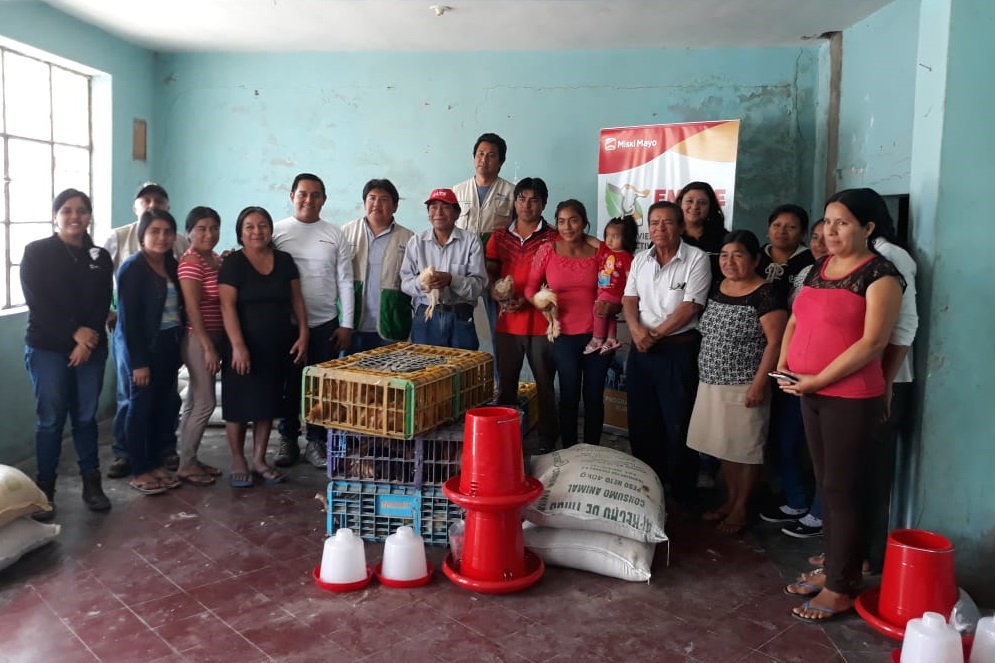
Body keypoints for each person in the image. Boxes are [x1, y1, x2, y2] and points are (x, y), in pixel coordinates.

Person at [775, 190, 904, 622]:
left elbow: (873, 343)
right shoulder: (820, 267)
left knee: (844, 489)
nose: (830, 231)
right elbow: (796, 319)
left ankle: (843, 586)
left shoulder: (881, 276)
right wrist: (784, 364)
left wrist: (817, 379)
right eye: (828, 222)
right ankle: (833, 565)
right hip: (808, 391)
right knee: (827, 483)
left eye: (842, 223)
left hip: (849, 397)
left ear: (868, 229)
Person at [687, 230, 788, 534]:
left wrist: (760, 384)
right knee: (723, 447)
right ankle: (731, 501)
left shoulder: (766, 293)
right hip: (711, 382)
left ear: (756, 259)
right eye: (726, 255)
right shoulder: (719, 287)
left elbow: (776, 343)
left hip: (744, 384)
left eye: (739, 255)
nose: (730, 262)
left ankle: (742, 508)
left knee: (745, 450)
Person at [22, 189, 114, 518]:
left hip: (90, 350)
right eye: (66, 210)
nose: (75, 216)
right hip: (47, 346)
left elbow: (102, 300)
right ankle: (44, 488)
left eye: (82, 210)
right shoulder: (37, 252)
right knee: (51, 420)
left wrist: (86, 341)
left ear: (90, 216)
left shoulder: (100, 256)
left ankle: (92, 483)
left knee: (86, 418)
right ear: (55, 216)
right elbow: (38, 302)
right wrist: (75, 333)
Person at [622, 201, 711, 512]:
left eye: (668, 222)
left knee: (678, 422)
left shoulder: (696, 259)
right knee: (642, 421)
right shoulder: (640, 260)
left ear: (681, 226)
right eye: (654, 223)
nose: (660, 228)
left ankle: (682, 491)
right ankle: (648, 485)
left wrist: (654, 335)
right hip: (642, 350)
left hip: (677, 350)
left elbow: (690, 306)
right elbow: (629, 299)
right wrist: (636, 331)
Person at [219, 207, 308, 487]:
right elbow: (227, 306)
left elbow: (297, 300)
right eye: (249, 227)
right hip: (242, 346)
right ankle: (238, 460)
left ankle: (259, 460)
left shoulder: (283, 260)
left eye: (262, 225)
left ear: (270, 230)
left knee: (267, 405)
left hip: (278, 344)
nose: (256, 231)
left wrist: (304, 332)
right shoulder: (233, 263)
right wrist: (237, 346)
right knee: (238, 405)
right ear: (240, 232)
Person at [104, 183, 189, 479]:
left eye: (167, 232)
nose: (162, 237)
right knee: (138, 404)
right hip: (142, 347)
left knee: (164, 400)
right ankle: (140, 467)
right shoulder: (133, 268)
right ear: (142, 235)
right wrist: (138, 362)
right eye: (155, 232)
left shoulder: (172, 264)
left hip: (168, 344)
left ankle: (157, 455)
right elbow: (129, 323)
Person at [272, 173, 354, 469]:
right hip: (286, 325)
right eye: (303, 194)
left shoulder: (334, 234)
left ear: (324, 199)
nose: (309, 200)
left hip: (325, 325)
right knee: (289, 384)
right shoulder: (277, 232)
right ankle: (288, 438)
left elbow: (345, 280)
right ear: (292, 195)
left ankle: (316, 440)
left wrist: (347, 324)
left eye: (316, 194)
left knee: (321, 387)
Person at [525, 199, 612, 448]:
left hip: (597, 335)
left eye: (574, 220)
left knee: (594, 396)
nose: (567, 227)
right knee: (569, 395)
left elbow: (617, 256)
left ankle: (593, 450)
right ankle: (571, 450)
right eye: (561, 221)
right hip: (563, 335)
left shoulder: (598, 253)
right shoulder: (548, 251)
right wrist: (541, 303)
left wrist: (597, 242)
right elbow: (531, 289)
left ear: (584, 222)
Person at [762, 217, 829, 537]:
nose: (820, 242)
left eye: (827, 235)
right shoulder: (806, 274)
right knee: (786, 441)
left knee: (824, 452)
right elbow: (792, 321)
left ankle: (819, 513)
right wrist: (785, 363)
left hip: (828, 378)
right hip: (793, 373)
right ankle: (797, 500)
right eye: (816, 237)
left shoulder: (856, 277)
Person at [486, 177, 559, 451]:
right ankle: (504, 443)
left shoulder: (554, 237)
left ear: (543, 205)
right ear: (514, 202)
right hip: (507, 323)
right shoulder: (500, 236)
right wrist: (496, 292)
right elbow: (491, 272)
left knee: (545, 386)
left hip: (541, 324)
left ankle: (547, 443)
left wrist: (531, 300)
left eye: (534, 200)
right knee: (506, 386)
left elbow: (558, 280)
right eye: (522, 198)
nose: (527, 205)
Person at [453, 133, 515, 387]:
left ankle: (502, 387)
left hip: (494, 270)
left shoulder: (511, 193)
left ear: (500, 162)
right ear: (473, 157)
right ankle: (461, 387)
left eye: (491, 156)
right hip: (463, 269)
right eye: (480, 154)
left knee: (499, 331)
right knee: (458, 327)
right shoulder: (457, 191)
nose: (484, 160)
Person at [675, 181, 727, 488]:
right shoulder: (671, 236)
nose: (695, 207)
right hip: (678, 329)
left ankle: (707, 464)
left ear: (711, 208)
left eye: (702, 203)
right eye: (689, 201)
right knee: (683, 398)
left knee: (708, 397)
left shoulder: (721, 240)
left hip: (713, 329)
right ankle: (680, 459)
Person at [175, 207, 225, 486]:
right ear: (189, 232)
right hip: (198, 338)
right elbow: (193, 310)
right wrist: (208, 347)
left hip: (212, 337)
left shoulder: (213, 258)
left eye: (214, 228)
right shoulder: (191, 261)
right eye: (202, 228)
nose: (209, 234)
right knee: (205, 403)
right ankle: (186, 464)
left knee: (194, 400)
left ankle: (188, 458)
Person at [400, 188, 486, 350]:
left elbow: (478, 286)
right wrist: (422, 283)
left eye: (445, 207)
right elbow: (405, 283)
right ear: (428, 213)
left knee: (461, 371)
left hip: (460, 316)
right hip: (425, 316)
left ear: (457, 213)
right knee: (424, 370)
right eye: (433, 207)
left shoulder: (471, 242)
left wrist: (451, 279)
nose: (438, 212)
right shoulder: (416, 242)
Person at [342, 179, 415, 354]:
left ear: (395, 206)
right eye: (372, 198)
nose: (376, 204)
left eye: (384, 199)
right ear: (364, 203)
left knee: (389, 378)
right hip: (352, 326)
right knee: (351, 378)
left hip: (391, 323)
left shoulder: (409, 238)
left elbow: (413, 281)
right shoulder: (346, 232)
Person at [584, 215, 638, 355]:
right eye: (608, 235)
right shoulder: (605, 250)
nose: (610, 239)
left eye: (615, 236)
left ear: (626, 238)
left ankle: (597, 339)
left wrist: (626, 296)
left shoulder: (626, 257)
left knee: (599, 310)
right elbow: (591, 240)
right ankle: (611, 339)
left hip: (615, 293)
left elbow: (630, 278)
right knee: (608, 316)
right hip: (602, 291)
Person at [757, 204, 815, 296]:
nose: (782, 231)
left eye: (791, 227)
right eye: (776, 225)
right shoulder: (755, 256)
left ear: (803, 233)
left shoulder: (810, 261)